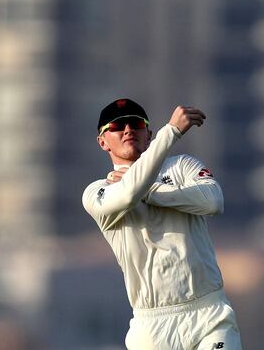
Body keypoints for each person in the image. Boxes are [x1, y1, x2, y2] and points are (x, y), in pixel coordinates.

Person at [82, 98, 243, 350]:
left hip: (208, 313)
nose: (128, 130)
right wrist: (172, 131)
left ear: (149, 135)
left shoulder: (181, 166)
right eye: (117, 126)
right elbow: (127, 195)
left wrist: (151, 191)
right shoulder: (98, 192)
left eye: (136, 124)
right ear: (102, 142)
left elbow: (213, 202)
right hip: (152, 328)